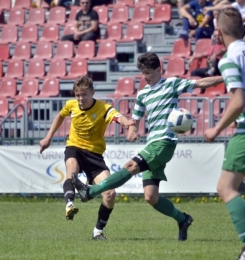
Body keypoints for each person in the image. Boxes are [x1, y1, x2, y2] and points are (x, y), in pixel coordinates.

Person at [72, 52, 224, 241]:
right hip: (152, 142)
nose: (146, 77)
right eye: (143, 74)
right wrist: (132, 130)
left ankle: (90, 191)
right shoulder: (142, 93)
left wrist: (226, 77)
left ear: (159, 70)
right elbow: (135, 119)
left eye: (149, 73)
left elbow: (201, 83)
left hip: (164, 142)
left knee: (130, 167)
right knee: (151, 197)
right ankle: (183, 219)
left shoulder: (172, 84)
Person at [39, 75, 135, 240]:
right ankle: (69, 204)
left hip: (94, 155)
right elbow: (60, 116)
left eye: (84, 95)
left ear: (92, 93)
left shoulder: (103, 108)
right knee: (72, 169)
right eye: (77, 95)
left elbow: (117, 117)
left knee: (110, 193)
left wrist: (127, 123)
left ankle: (98, 232)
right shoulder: (71, 105)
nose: (80, 99)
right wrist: (48, 137)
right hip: (74, 147)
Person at [204, 7, 245, 260]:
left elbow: (238, 101)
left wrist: (216, 128)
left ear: (218, 32)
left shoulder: (229, 59)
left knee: (226, 187)